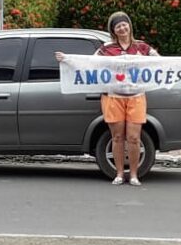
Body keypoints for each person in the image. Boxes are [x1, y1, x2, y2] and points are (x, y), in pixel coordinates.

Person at [56, 11, 159, 186]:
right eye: (118, 26)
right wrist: (67, 59)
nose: (122, 28)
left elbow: (161, 63)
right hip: (113, 98)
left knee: (134, 138)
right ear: (113, 30)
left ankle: (134, 174)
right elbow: (88, 63)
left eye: (124, 24)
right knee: (117, 137)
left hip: (136, 97)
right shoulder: (105, 49)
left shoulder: (142, 47)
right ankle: (119, 173)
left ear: (129, 25)